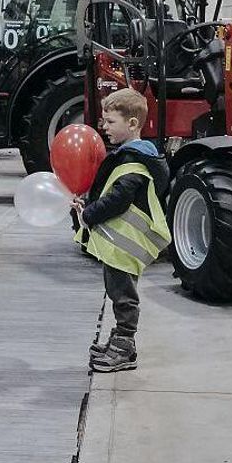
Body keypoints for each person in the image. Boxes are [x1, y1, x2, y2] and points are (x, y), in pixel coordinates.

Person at [73, 89, 170, 373]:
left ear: (132, 124)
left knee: (123, 295)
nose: (104, 127)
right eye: (103, 121)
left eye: (110, 122)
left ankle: (124, 346)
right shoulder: (133, 157)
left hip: (124, 247)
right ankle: (120, 341)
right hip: (120, 246)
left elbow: (118, 199)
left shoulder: (134, 163)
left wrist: (90, 213)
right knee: (118, 291)